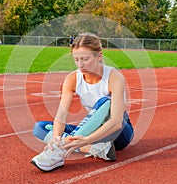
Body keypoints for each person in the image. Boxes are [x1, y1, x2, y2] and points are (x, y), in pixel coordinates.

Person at [31, 32, 134, 172]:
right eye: (76, 59)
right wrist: (55, 138)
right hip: (92, 131)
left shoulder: (114, 77)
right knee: (40, 127)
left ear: (99, 56)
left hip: (119, 133)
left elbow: (116, 121)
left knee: (105, 101)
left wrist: (86, 139)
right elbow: (61, 116)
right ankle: (94, 149)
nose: (81, 65)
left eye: (85, 59)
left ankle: (60, 151)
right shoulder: (72, 79)